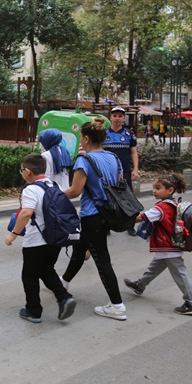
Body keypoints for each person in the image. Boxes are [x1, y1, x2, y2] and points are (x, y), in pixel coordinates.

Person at [60, 116, 128, 321]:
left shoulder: (84, 160)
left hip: (92, 215)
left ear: (87, 138)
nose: (80, 140)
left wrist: (51, 196)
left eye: (81, 137)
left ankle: (117, 305)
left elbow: (75, 191)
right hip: (108, 213)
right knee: (81, 249)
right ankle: (63, 282)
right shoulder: (113, 158)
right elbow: (119, 183)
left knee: (102, 260)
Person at [5, 154, 77, 323]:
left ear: (28, 171)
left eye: (21, 170)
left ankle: (33, 310)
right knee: (46, 269)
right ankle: (64, 298)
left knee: (29, 275)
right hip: (55, 238)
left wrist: (13, 234)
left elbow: (26, 212)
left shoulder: (30, 189)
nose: (21, 173)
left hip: (36, 240)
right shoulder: (54, 185)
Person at [124, 173, 192, 315]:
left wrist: (123, 219)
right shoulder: (172, 203)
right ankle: (140, 285)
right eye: (154, 187)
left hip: (168, 246)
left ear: (170, 190)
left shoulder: (162, 207)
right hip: (168, 246)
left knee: (180, 274)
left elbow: (142, 217)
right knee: (154, 267)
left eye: (158, 188)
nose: (154, 191)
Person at [102, 106, 140, 235]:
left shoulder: (129, 134)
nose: (117, 118)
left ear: (124, 118)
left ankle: (130, 225)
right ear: (110, 117)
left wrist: (135, 169)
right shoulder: (103, 134)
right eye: (115, 116)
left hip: (125, 172)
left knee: (128, 198)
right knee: (106, 198)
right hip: (106, 172)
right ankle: (106, 225)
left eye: (120, 116)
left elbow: (134, 153)